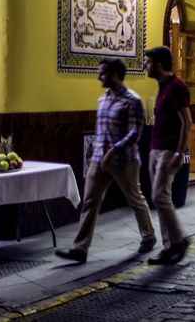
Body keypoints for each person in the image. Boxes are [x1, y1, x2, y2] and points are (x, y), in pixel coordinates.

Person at [55, 59, 155, 264]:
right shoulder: (102, 100)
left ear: (116, 75)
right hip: (99, 159)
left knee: (135, 198)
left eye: (103, 73)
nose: (99, 77)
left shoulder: (132, 100)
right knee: (90, 202)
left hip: (125, 160)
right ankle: (80, 248)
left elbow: (136, 132)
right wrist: (95, 151)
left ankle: (149, 235)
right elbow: (101, 131)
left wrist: (115, 150)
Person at [144, 46, 191, 265]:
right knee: (161, 198)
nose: (146, 66)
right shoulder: (162, 87)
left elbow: (186, 122)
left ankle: (178, 241)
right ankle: (170, 246)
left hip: (168, 150)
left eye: (148, 62)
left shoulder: (176, 87)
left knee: (159, 197)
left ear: (159, 65)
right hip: (156, 148)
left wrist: (179, 152)